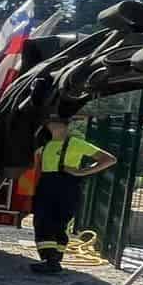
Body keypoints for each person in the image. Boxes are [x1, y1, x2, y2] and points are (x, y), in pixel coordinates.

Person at [30, 116, 116, 274]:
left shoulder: (76, 143)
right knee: (43, 220)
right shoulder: (44, 144)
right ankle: (51, 260)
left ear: (65, 125)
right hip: (47, 185)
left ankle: (52, 261)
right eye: (49, 122)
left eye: (55, 122)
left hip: (66, 187)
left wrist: (82, 171)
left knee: (55, 222)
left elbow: (109, 159)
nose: (51, 125)